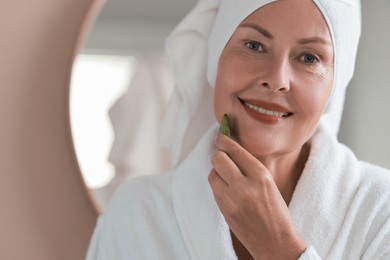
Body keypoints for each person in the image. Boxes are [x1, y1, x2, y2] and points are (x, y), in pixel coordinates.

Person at [86, 0, 390, 259]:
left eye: (309, 57)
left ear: (334, 85)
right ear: (216, 57)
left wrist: (277, 247)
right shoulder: (136, 214)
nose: (277, 78)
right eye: (254, 45)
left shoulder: (380, 211)